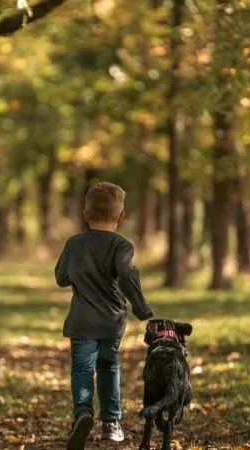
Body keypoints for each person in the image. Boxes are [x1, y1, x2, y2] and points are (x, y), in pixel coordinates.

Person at [54, 181, 154, 450]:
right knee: (109, 366)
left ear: (85, 214)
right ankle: (111, 423)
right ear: (120, 217)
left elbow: (61, 278)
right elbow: (125, 276)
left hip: (81, 321)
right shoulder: (123, 246)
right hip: (112, 322)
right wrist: (142, 308)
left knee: (82, 369)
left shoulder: (74, 244)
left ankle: (83, 413)